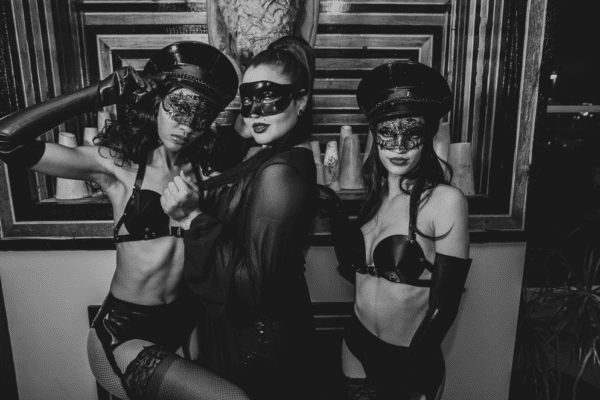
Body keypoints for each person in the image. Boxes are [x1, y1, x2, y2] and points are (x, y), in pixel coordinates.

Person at [0, 41, 251, 400]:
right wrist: (98, 93)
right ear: (158, 102)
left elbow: (261, 139)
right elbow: (7, 140)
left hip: (185, 327)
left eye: (199, 115)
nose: (185, 125)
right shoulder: (118, 168)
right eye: (178, 107)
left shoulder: (207, 172)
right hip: (124, 334)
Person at [160, 35, 318, 399]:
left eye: (269, 97)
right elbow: (231, 153)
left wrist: (192, 218)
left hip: (259, 346)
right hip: (243, 336)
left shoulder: (281, 174)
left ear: (301, 99)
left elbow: (254, 289)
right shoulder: (263, 154)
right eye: (247, 100)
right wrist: (246, 120)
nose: (255, 111)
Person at [321, 61, 472, 400]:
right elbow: (356, 271)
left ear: (428, 136)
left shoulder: (445, 201)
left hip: (409, 358)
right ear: (374, 135)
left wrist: (410, 373)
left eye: (412, 134)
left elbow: (445, 307)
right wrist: (334, 211)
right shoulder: (374, 198)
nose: (399, 147)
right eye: (388, 134)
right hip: (356, 342)